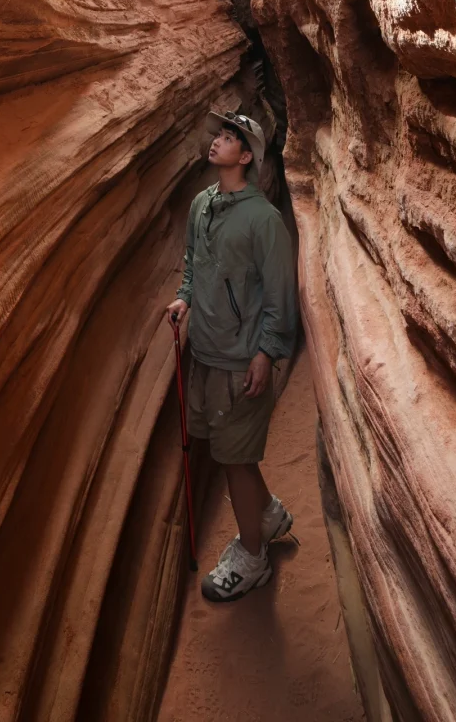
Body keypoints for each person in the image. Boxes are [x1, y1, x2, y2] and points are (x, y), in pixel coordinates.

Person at [166, 108, 298, 602]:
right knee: (232, 452)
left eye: (229, 138)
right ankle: (268, 514)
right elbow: (193, 266)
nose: (217, 141)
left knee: (235, 460)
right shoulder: (203, 205)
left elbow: (280, 296)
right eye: (218, 134)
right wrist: (185, 298)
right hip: (206, 351)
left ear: (246, 157)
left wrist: (266, 353)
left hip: (241, 361)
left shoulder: (263, 220)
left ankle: (252, 556)